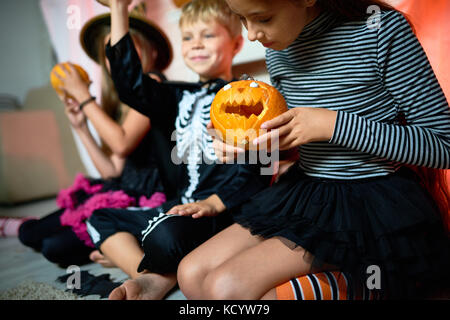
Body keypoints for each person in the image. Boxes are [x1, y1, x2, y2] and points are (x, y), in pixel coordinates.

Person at [177, 0, 450, 300]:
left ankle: (377, 282)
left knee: (228, 288)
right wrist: (254, 147)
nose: (252, 34)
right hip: (306, 191)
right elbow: (298, 145)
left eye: (263, 17)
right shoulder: (277, 46)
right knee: (191, 274)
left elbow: (442, 146)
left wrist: (332, 125)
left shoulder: (380, 31)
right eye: (242, 19)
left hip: (371, 203)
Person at [85, 0, 271, 300]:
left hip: (223, 211)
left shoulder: (248, 96)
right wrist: (119, 10)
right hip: (180, 206)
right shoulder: (175, 96)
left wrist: (214, 202)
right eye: (187, 37)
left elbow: (261, 168)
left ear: (237, 44)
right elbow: (130, 85)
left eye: (208, 35)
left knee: (165, 237)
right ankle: (151, 277)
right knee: (99, 219)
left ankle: (159, 266)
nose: (196, 43)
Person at [18, 5, 173, 268]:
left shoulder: (154, 83)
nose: (118, 58)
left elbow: (122, 143)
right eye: (111, 52)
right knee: (29, 233)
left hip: (148, 198)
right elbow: (112, 171)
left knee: (53, 248)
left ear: (152, 51)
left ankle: (125, 248)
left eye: (127, 48)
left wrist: (84, 97)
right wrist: (81, 127)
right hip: (122, 189)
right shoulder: (121, 103)